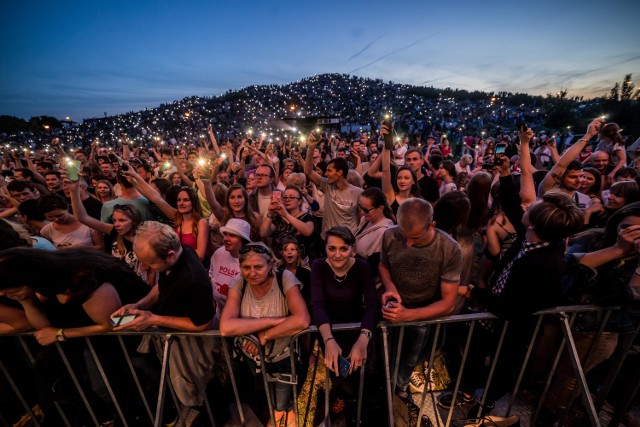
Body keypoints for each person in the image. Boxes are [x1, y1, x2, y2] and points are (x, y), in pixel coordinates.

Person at [0, 247, 150, 425]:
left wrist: (61, 334)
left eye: (7, 288)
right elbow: (43, 326)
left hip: (133, 336)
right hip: (99, 341)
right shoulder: (47, 283)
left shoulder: (84, 278)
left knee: (106, 386)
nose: (2, 294)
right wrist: (25, 300)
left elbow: (112, 324)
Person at [111, 221, 216, 425]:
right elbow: (162, 286)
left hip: (192, 346)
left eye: (149, 263)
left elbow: (202, 324)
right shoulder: (178, 252)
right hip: (170, 335)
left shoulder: (192, 281)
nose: (144, 267)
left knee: (199, 386)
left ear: (169, 255)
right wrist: (140, 304)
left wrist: (154, 319)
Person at [379, 197, 462, 400]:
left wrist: (408, 315)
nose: (408, 243)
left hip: (424, 313)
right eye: (404, 236)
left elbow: (448, 303)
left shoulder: (449, 249)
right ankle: (387, 389)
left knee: (412, 358)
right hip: (394, 309)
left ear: (432, 225)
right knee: (386, 357)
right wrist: (390, 288)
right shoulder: (389, 235)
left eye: (415, 238)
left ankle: (401, 388)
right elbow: (383, 265)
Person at [220, 242, 310, 427]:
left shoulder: (285, 279)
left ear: (271, 265)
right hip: (253, 358)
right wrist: (274, 321)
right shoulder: (239, 282)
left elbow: (302, 320)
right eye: (246, 267)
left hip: (283, 355)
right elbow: (226, 327)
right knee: (265, 397)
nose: (252, 273)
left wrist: (264, 336)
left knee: (282, 401)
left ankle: (282, 418)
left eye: (258, 267)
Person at [310, 227, 378, 425]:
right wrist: (328, 339)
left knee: (360, 373)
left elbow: (372, 306)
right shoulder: (319, 266)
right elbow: (317, 304)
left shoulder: (362, 267)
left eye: (343, 248)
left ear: (352, 249)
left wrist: (363, 339)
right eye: (332, 249)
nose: (337, 255)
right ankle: (341, 400)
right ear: (325, 248)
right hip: (329, 330)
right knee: (337, 373)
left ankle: (358, 408)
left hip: (357, 330)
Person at [68, 180, 154, 285]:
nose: (117, 224)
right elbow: (82, 218)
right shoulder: (113, 231)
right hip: (115, 284)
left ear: (134, 221)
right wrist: (74, 190)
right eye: (114, 220)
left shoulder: (145, 239)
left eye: (122, 220)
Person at [304, 132, 363, 238]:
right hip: (328, 240)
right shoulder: (327, 185)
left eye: (329, 171)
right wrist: (311, 148)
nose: (326, 174)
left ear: (339, 172)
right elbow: (308, 172)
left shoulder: (358, 193)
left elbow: (362, 219)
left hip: (348, 241)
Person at [209, 218, 251, 328]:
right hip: (219, 316)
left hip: (242, 321)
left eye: (232, 235)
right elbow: (212, 277)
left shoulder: (251, 261)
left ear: (243, 240)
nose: (226, 239)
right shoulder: (219, 253)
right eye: (225, 234)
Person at [354, 187, 395, 291]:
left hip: (370, 286)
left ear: (380, 208)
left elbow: (373, 267)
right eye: (360, 207)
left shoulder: (384, 232)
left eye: (366, 210)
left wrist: (352, 254)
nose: (362, 213)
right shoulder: (366, 219)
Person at [260, 184, 315, 259]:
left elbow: (307, 231)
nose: (287, 200)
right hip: (279, 262)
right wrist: (270, 214)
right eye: (285, 197)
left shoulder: (306, 217)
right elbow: (263, 234)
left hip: (300, 262)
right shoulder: (278, 217)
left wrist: (286, 215)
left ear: (300, 201)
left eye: (292, 197)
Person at [39, 193, 104, 250]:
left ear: (67, 207)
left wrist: (81, 248)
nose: (56, 219)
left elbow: (101, 248)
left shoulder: (89, 224)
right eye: (50, 217)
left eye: (60, 215)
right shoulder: (47, 230)